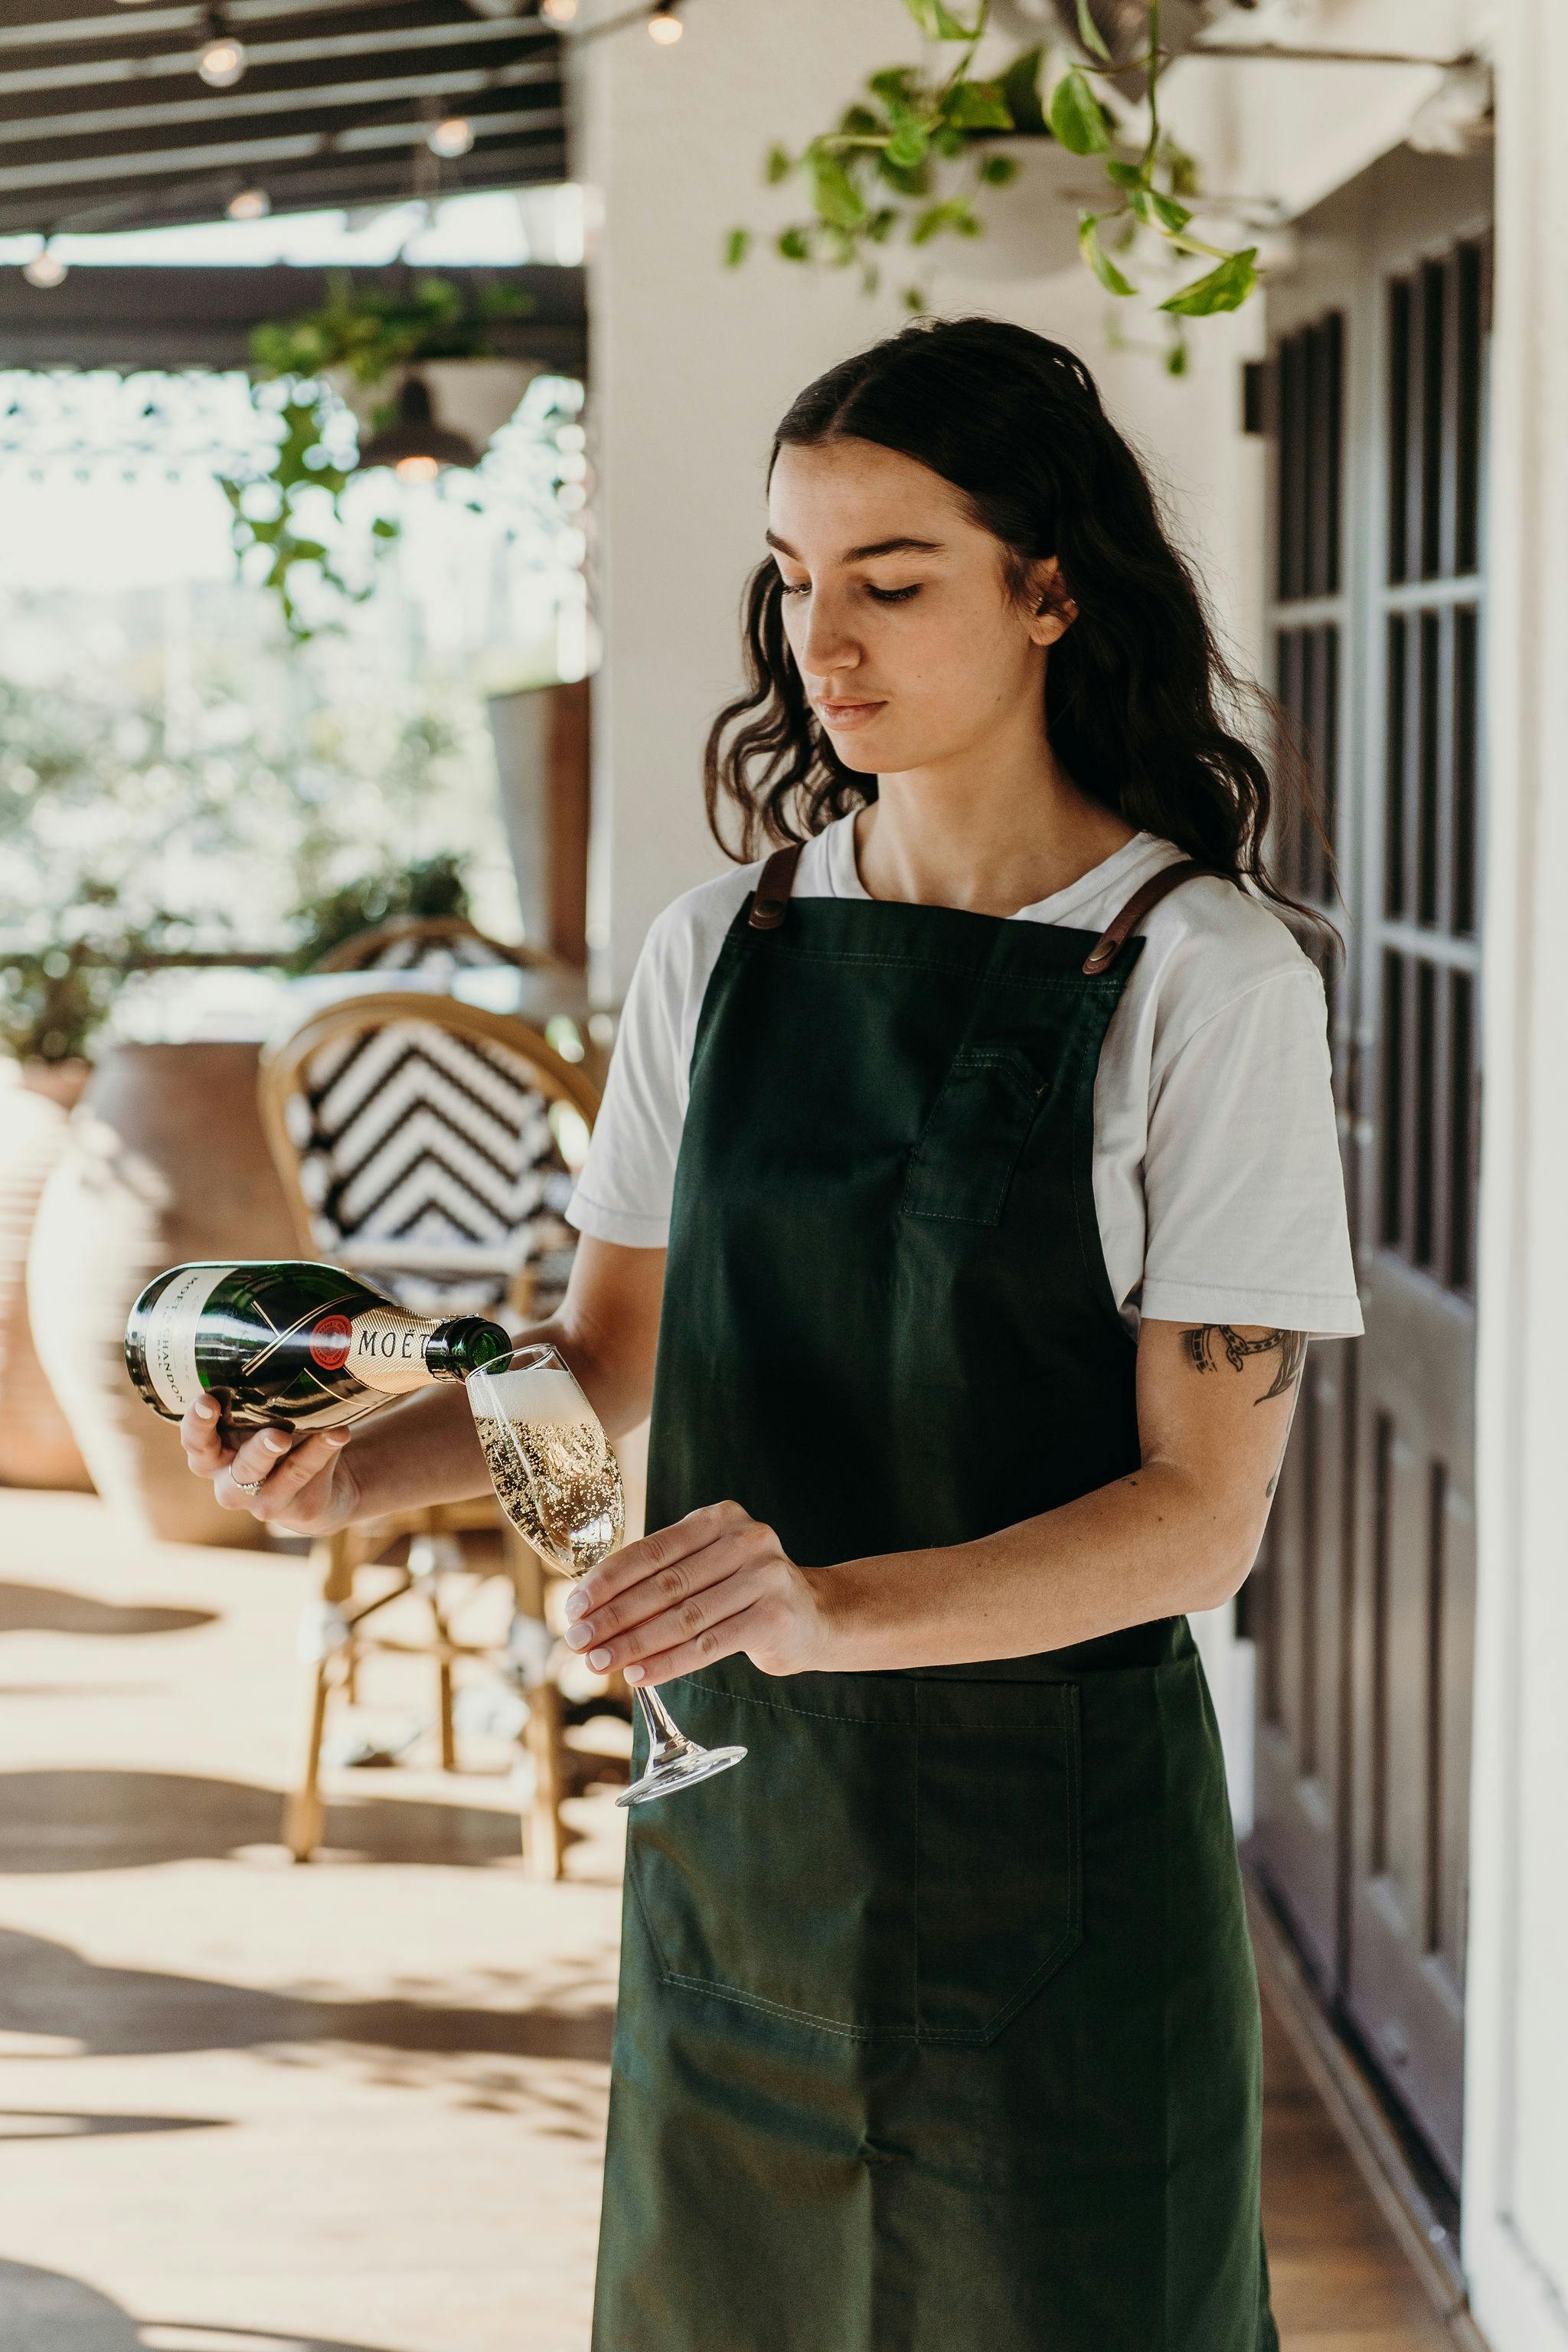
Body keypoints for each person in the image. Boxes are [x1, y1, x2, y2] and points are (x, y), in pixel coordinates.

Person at [183, 317, 1364, 2351]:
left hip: (1051, 1867)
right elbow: (607, 1364)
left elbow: (1196, 1524)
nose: (825, 638)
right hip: (749, 1839)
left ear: (1053, 587)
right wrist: (350, 1475)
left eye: (892, 581)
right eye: (795, 580)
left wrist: (823, 1610)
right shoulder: (717, 948)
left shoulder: (1202, 977)